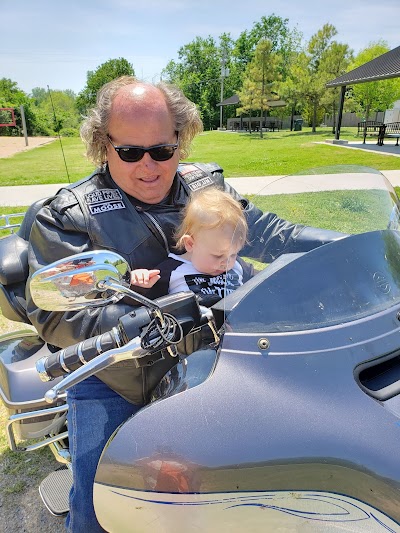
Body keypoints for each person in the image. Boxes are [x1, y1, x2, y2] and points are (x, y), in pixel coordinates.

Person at [26, 75, 344, 532]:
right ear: (102, 144)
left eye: (162, 150)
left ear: (181, 139)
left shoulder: (206, 190)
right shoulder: (67, 216)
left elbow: (276, 234)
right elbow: (61, 316)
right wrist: (157, 317)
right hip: (118, 373)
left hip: (215, 360)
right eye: (130, 152)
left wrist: (359, 246)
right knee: (100, 497)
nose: (149, 166)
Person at [130, 186, 255, 306]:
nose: (226, 263)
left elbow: (263, 281)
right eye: (217, 256)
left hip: (237, 325)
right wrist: (139, 285)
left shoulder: (238, 265)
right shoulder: (172, 270)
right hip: (197, 326)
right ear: (190, 244)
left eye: (233, 254)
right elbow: (143, 303)